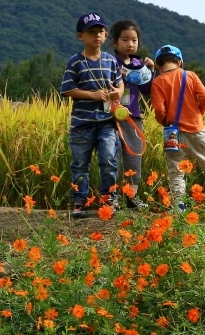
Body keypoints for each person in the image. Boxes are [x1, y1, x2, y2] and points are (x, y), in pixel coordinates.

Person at [60, 13, 123, 218]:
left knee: (109, 160)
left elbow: (120, 84)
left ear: (106, 35)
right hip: (82, 124)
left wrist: (118, 92)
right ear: (81, 36)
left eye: (100, 31)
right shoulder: (75, 62)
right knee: (80, 164)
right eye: (91, 32)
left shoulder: (111, 61)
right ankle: (80, 201)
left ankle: (108, 199)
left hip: (107, 122)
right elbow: (67, 89)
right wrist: (92, 95)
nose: (97, 35)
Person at [149, 46, 205, 208]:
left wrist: (164, 121)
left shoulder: (157, 82)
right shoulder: (190, 75)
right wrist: (198, 112)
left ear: (158, 65)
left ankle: (179, 207)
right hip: (197, 129)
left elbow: (159, 109)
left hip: (173, 133)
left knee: (176, 171)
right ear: (180, 62)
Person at [108, 20, 153, 210]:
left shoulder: (139, 64)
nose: (130, 44)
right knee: (112, 156)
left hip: (133, 117)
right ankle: (111, 195)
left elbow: (147, 90)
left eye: (134, 40)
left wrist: (150, 71)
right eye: (125, 40)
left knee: (134, 156)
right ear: (115, 42)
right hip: (110, 117)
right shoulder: (108, 62)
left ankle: (131, 196)